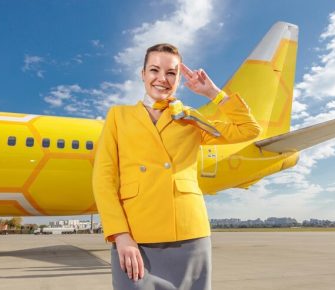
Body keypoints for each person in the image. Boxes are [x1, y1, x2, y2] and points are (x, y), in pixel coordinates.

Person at [93, 43, 261, 290]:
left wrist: (213, 93)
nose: (162, 79)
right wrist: (120, 235)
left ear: (179, 79)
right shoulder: (118, 116)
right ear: (143, 74)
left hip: (189, 235)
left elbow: (249, 130)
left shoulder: (190, 118)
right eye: (154, 70)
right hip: (137, 238)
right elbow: (103, 179)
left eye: (171, 73)